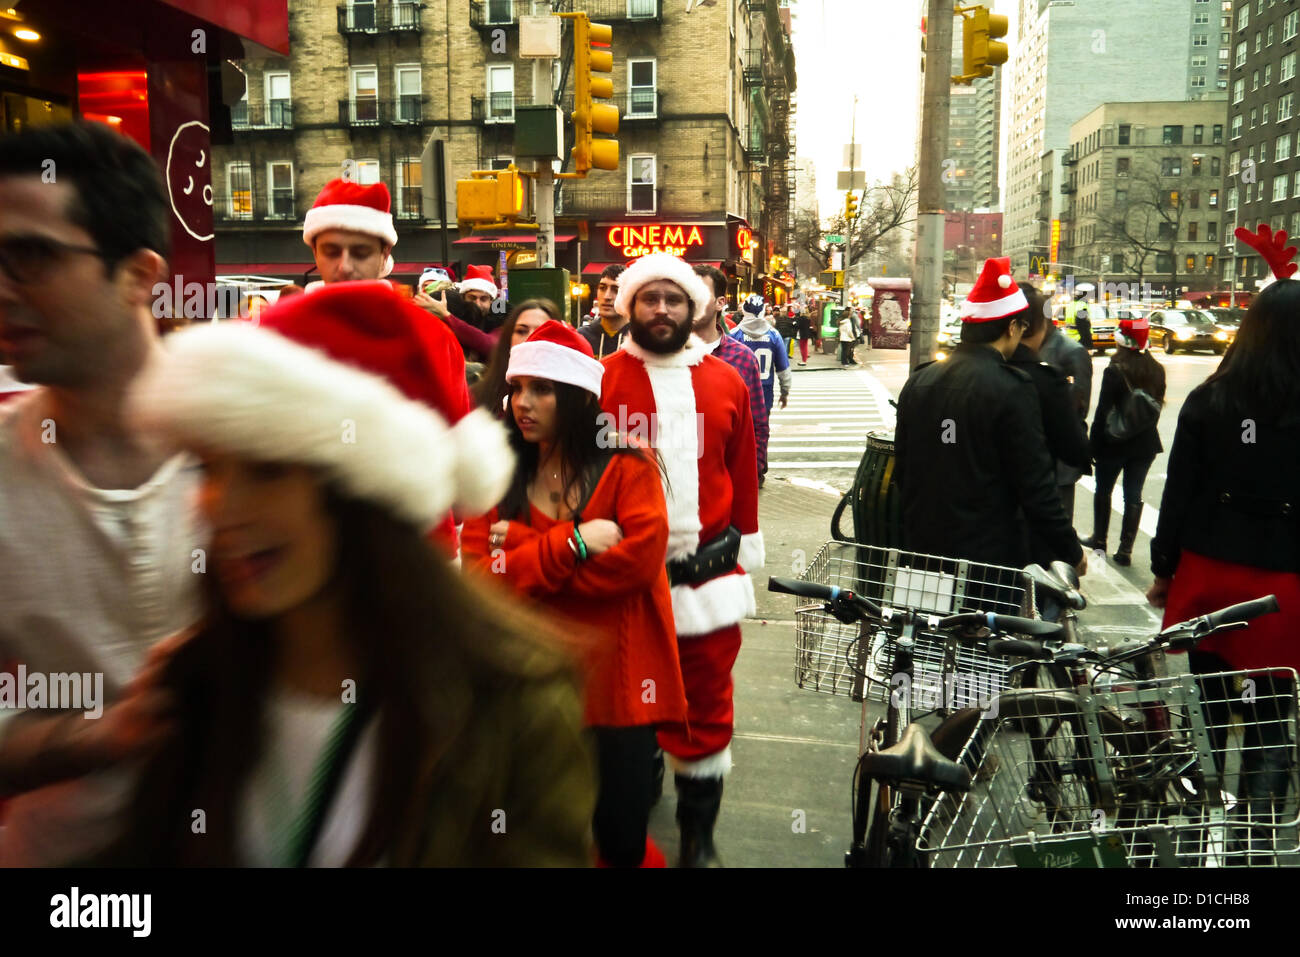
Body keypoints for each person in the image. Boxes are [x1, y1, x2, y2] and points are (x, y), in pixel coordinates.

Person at [99, 280, 593, 866]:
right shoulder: (196, 683)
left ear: (362, 497)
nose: (217, 506)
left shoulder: (511, 705)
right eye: (208, 468)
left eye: (268, 470)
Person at [0, 120, 207, 865]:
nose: (3, 288)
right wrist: (100, 734)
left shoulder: (253, 453)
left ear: (139, 276)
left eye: (30, 257)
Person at [462, 320, 687, 867]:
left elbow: (633, 567)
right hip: (528, 685)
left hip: (618, 691)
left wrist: (522, 548)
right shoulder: (498, 469)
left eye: (542, 389)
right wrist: (573, 545)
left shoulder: (629, 464)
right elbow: (478, 575)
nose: (523, 403)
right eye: (517, 388)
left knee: (619, 837)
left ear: (580, 396)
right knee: (531, 838)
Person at [599, 253, 762, 867]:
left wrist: (745, 539)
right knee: (621, 708)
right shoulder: (601, 382)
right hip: (622, 583)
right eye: (649, 298)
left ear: (694, 307)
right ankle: (623, 826)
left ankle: (699, 837)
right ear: (630, 307)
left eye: (673, 299)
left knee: (705, 707)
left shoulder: (727, 382)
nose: (661, 309)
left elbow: (743, 473)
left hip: (707, 579)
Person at [1147, 274, 1300, 829]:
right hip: (1284, 592)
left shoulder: (1211, 399)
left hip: (1211, 580)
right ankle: (1252, 842)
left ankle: (1197, 823)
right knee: (1268, 721)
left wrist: (1164, 569)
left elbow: (1179, 494)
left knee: (1208, 713)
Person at [894, 257, 1087, 576]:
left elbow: (904, 468)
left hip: (923, 551)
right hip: (987, 560)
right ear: (1012, 327)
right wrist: (1070, 549)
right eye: (1021, 326)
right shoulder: (1012, 388)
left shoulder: (919, 381)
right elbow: (1035, 485)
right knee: (989, 626)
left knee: (930, 625)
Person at [1009, 282, 1091, 565]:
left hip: (1057, 468)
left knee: (1052, 549)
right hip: (1020, 465)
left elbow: (1078, 411)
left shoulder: (1071, 352)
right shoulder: (1007, 351)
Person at [1081, 313, 1166, 566]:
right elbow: (1155, 408)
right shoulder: (1157, 370)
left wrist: (1093, 445)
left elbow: (1103, 411)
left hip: (1114, 442)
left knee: (1104, 490)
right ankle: (1125, 549)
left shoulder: (1115, 370)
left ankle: (1099, 539)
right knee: (1134, 494)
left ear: (1121, 341)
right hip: (1146, 443)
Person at [692, 264, 770, 489]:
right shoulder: (667, 352)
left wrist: (750, 473)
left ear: (720, 302)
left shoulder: (742, 358)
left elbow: (757, 424)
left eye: (700, 293)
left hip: (724, 484)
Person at [1034, 283, 1094, 526]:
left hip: (1059, 457)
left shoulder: (1071, 352)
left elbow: (1080, 404)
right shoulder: (1024, 347)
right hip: (1032, 452)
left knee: (1059, 520)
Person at [473, 299, 563, 414]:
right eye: (521, 331)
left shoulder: (568, 395)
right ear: (509, 338)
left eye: (542, 331)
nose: (531, 338)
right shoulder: (478, 396)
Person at [730, 294, 792, 421]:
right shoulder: (774, 335)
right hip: (764, 395)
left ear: (744, 311)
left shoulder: (734, 335)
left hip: (738, 396)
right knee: (760, 436)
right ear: (763, 311)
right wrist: (784, 392)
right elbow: (783, 369)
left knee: (740, 438)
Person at [577, 264, 629, 359]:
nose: (607, 296)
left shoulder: (640, 339)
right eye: (602, 288)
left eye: (615, 290)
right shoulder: (581, 338)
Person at [455, 264, 502, 331]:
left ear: (491, 301)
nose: (477, 304)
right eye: (472, 298)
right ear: (463, 298)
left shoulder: (499, 326)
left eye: (483, 299)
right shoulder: (452, 325)